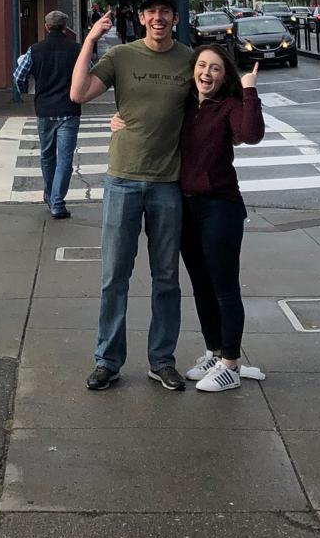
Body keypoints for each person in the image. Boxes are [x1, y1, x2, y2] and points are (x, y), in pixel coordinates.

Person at [113, 42, 264, 391]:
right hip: (186, 205)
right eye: (201, 66)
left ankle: (230, 363)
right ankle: (214, 350)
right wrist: (122, 119)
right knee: (201, 285)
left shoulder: (228, 105)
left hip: (220, 206)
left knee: (224, 287)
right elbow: (152, 114)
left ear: (223, 76)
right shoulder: (184, 105)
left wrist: (249, 90)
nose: (206, 73)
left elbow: (250, 134)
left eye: (214, 68)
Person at [72, 0, 194, 391]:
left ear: (174, 19)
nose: (158, 18)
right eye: (151, 12)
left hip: (167, 183)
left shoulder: (188, 60)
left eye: (165, 11)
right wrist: (90, 39)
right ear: (141, 19)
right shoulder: (121, 56)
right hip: (122, 178)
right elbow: (79, 93)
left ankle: (162, 360)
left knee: (167, 278)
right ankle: (107, 360)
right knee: (114, 276)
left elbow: (207, 105)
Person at [15, 11, 81, 218]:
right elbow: (89, 71)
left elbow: (19, 76)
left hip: (44, 108)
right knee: (65, 159)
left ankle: (50, 194)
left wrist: (25, 88)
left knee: (47, 154)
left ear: (46, 27)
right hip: (69, 108)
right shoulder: (76, 50)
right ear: (65, 27)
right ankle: (57, 201)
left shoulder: (35, 50)